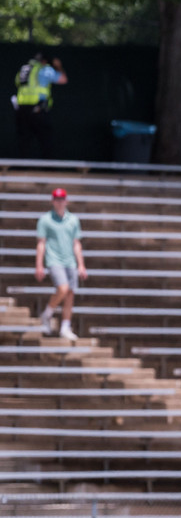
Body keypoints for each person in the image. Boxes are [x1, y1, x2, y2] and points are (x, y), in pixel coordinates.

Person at [35, 188, 86, 341]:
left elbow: (76, 243)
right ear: (53, 201)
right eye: (57, 199)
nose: (59, 202)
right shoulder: (45, 220)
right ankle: (47, 314)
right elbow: (41, 244)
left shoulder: (73, 220)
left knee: (70, 293)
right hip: (54, 259)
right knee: (62, 289)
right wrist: (39, 265)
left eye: (62, 199)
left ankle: (65, 326)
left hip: (70, 260)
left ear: (66, 200)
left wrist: (81, 264)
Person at [14, 52, 68, 159]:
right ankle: (48, 169)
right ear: (44, 61)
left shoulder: (24, 70)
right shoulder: (44, 69)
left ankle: (22, 168)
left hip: (21, 109)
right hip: (38, 109)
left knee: (24, 141)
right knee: (46, 139)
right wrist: (58, 66)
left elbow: (17, 83)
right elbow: (63, 79)